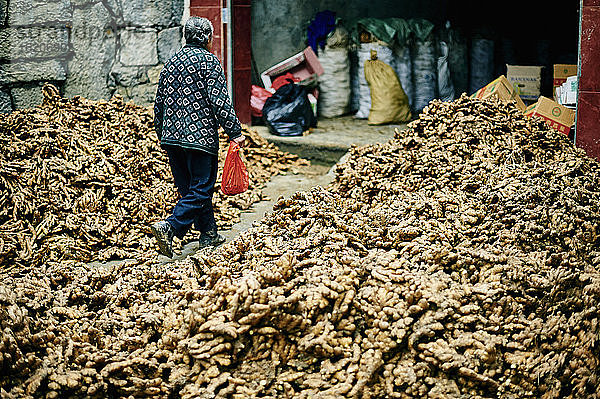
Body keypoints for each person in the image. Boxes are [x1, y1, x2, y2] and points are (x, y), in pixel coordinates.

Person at [151, 16, 246, 258]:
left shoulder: (171, 63)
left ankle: (209, 234)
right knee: (201, 188)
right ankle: (170, 226)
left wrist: (162, 134)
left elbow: (159, 103)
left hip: (172, 138)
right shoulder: (209, 62)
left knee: (190, 190)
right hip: (200, 139)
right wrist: (234, 132)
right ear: (207, 39)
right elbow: (220, 102)